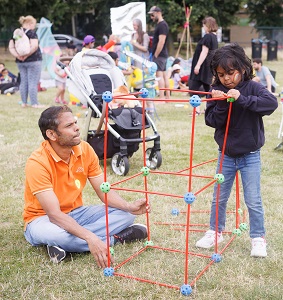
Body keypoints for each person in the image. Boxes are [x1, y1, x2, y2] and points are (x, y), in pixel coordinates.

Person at [23, 105, 148, 265]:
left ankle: (66, 247)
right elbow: (54, 214)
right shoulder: (37, 163)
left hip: (77, 213)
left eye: (75, 122)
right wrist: (90, 237)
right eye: (69, 126)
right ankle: (116, 238)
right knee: (59, 235)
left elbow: (104, 192)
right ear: (51, 134)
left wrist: (129, 206)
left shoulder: (85, 149)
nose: (77, 128)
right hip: (42, 219)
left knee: (127, 214)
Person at [195, 43, 278, 258]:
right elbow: (211, 120)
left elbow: (271, 103)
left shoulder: (252, 87)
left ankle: (258, 238)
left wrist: (241, 99)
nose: (226, 79)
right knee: (218, 198)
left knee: (253, 199)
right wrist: (221, 102)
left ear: (242, 68)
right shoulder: (216, 91)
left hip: (250, 155)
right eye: (221, 75)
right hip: (226, 156)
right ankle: (215, 232)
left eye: (231, 73)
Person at [8, 15, 44, 108]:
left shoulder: (16, 33)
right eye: (34, 25)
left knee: (23, 81)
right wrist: (26, 55)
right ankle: (34, 103)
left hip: (20, 62)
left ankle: (24, 102)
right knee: (32, 81)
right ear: (30, 23)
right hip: (34, 60)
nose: (34, 27)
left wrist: (18, 56)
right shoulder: (31, 33)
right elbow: (34, 46)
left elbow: (11, 47)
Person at [188, 16, 218, 115]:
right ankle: (208, 109)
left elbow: (204, 52)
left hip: (203, 67)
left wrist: (198, 65)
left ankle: (196, 110)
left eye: (204, 25)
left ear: (208, 25)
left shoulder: (208, 37)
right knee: (208, 89)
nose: (203, 28)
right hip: (208, 66)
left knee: (194, 87)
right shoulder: (214, 37)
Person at [148, 6, 170, 99]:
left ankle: (162, 97)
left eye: (152, 15)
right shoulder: (161, 25)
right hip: (163, 54)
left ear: (158, 13)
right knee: (164, 76)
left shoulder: (162, 25)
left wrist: (156, 55)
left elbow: (161, 41)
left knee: (159, 75)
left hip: (160, 55)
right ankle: (167, 97)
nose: (151, 17)